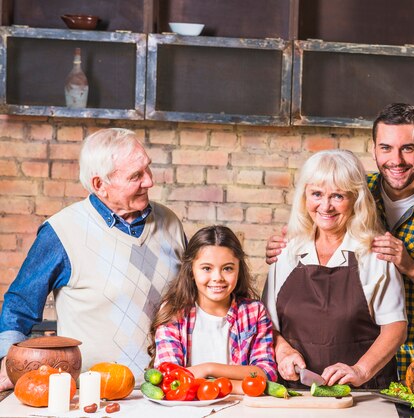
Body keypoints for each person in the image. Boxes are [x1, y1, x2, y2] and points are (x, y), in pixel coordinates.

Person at [266, 104, 414, 380]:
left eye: (407, 148)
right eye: (386, 148)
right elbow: (267, 322)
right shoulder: (356, 184)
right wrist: (290, 239)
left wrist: (410, 265)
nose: (395, 160)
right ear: (374, 150)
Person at [0, 128, 186, 388]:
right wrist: (7, 363)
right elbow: (20, 304)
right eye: (136, 176)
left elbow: (195, 298)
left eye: (147, 169)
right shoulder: (62, 231)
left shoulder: (170, 223)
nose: (149, 181)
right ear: (100, 185)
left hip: (168, 390)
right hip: (92, 395)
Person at [262, 149, 407, 389]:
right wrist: (283, 351)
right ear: (304, 197)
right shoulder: (286, 252)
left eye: (338, 196)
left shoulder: (376, 254)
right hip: (297, 393)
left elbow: (395, 328)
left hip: (363, 394)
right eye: (316, 194)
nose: (325, 206)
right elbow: (267, 323)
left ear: (356, 200)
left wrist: (360, 370)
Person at [149, 225, 277, 394]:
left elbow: (265, 374)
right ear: (191, 271)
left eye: (228, 268)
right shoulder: (174, 312)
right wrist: (236, 385)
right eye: (207, 268)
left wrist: (209, 369)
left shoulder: (254, 313)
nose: (217, 278)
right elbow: (170, 380)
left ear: (239, 269)